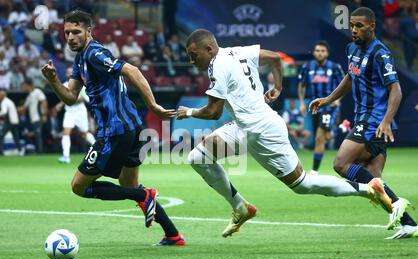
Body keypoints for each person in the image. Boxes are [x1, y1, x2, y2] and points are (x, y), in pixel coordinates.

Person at [176, 28, 405, 239]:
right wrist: (278, 86)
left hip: (260, 132)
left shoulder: (217, 65)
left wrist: (188, 113)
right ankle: (240, 207)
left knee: (302, 184)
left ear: (208, 49)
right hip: (245, 127)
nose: (191, 60)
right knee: (199, 157)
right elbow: (275, 58)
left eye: (193, 54)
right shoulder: (237, 51)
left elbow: (214, 112)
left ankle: (368, 189)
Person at [41, 9, 184, 246]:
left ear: (89, 31)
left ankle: (143, 196)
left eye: (76, 32)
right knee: (128, 185)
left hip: (114, 132)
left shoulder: (95, 53)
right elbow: (70, 97)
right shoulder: (80, 59)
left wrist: (154, 105)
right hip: (132, 128)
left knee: (79, 186)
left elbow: (132, 70)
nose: (70, 37)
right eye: (67, 32)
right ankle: (172, 234)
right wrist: (54, 80)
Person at [309, 7, 416, 239]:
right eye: (352, 26)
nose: (354, 30)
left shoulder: (381, 53)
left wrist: (387, 120)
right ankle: (410, 224)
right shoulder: (351, 49)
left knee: (340, 164)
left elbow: (395, 89)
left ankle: (397, 204)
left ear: (372, 26)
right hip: (365, 120)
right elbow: (350, 77)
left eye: (359, 26)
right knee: (374, 184)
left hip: (374, 121)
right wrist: (328, 99)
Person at [298, 41, 345, 175]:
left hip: (329, 106)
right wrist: (302, 103)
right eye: (317, 50)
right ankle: (342, 128)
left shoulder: (335, 67)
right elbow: (301, 85)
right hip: (315, 107)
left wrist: (338, 100)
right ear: (313, 52)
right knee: (327, 136)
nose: (320, 53)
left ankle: (314, 171)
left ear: (327, 53)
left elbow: (345, 84)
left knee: (319, 137)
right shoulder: (307, 67)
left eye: (323, 51)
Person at [55, 66, 96, 164]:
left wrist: (71, 100)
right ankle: (66, 156)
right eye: (68, 72)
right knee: (66, 132)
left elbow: (84, 98)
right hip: (69, 112)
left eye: (71, 72)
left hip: (80, 112)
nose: (69, 74)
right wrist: (61, 104)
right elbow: (65, 98)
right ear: (66, 74)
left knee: (84, 134)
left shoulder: (80, 85)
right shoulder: (64, 85)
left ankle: (98, 147)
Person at [19, 79, 48, 153]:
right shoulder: (29, 96)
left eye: (24, 86)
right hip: (34, 119)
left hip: (38, 117)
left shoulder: (37, 91)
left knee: (38, 135)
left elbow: (44, 101)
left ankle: (40, 152)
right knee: (36, 134)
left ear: (28, 85)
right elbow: (24, 108)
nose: (23, 88)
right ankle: (38, 151)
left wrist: (44, 114)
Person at [0, 90, 24, 155]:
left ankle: (1, 152)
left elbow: (4, 112)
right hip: (15, 122)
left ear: (2, 96)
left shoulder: (4, 102)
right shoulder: (9, 101)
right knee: (16, 137)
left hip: (9, 122)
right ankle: (20, 151)